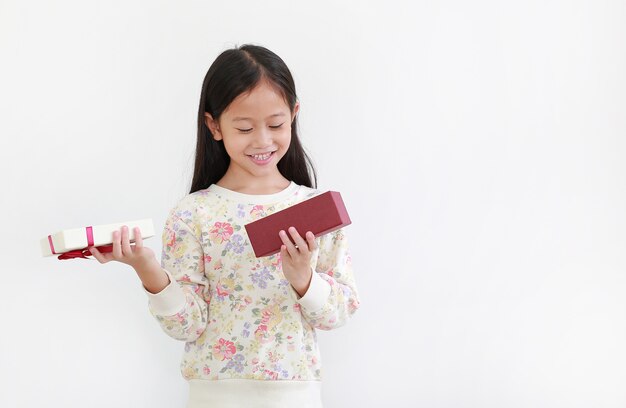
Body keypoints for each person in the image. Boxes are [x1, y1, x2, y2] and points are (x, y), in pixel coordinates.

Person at [88, 43, 360, 408]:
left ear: (294, 115)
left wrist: (303, 279)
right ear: (214, 125)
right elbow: (187, 326)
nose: (263, 140)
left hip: (294, 395)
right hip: (213, 397)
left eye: (276, 124)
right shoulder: (193, 213)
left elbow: (340, 311)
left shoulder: (315, 209)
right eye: (245, 128)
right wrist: (147, 268)